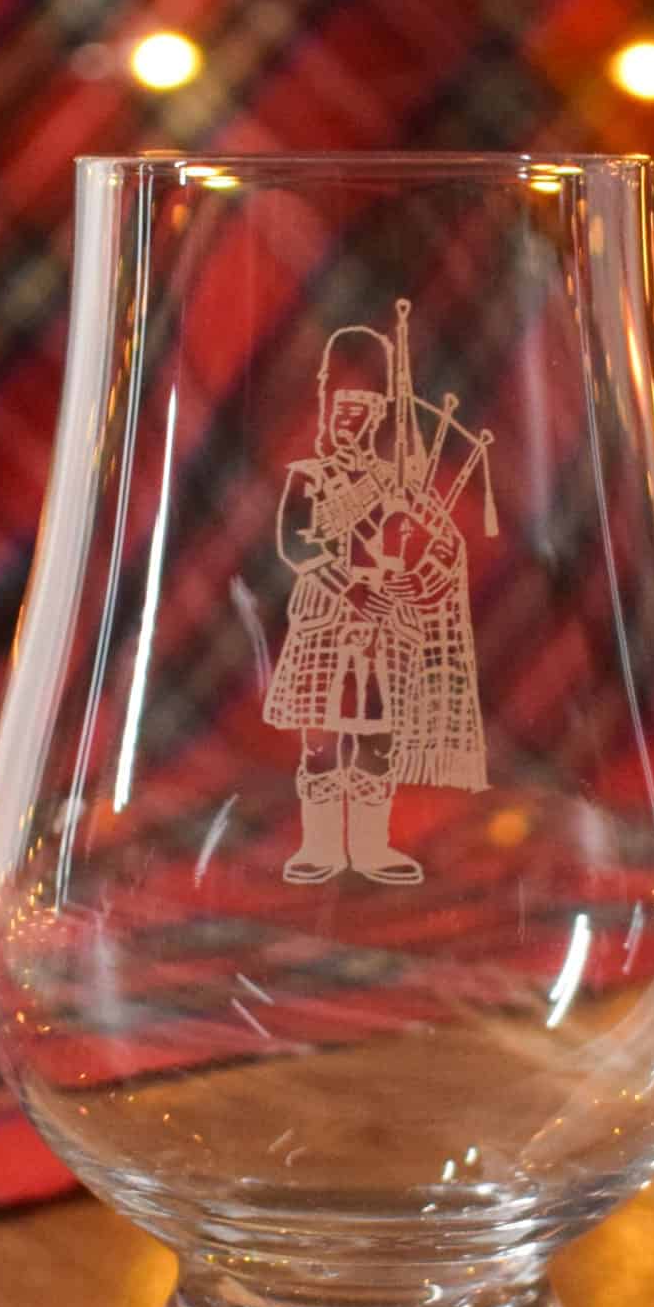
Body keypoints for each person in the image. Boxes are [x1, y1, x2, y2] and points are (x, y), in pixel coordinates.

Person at [263, 305, 489, 885]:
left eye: (360, 412)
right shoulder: (309, 478)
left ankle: (368, 849)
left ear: (376, 417)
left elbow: (442, 547)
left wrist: (419, 582)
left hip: (386, 627)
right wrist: (352, 591)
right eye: (342, 411)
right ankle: (320, 846)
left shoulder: (395, 486)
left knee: (377, 741)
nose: (349, 422)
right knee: (321, 739)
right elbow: (296, 546)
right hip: (325, 621)